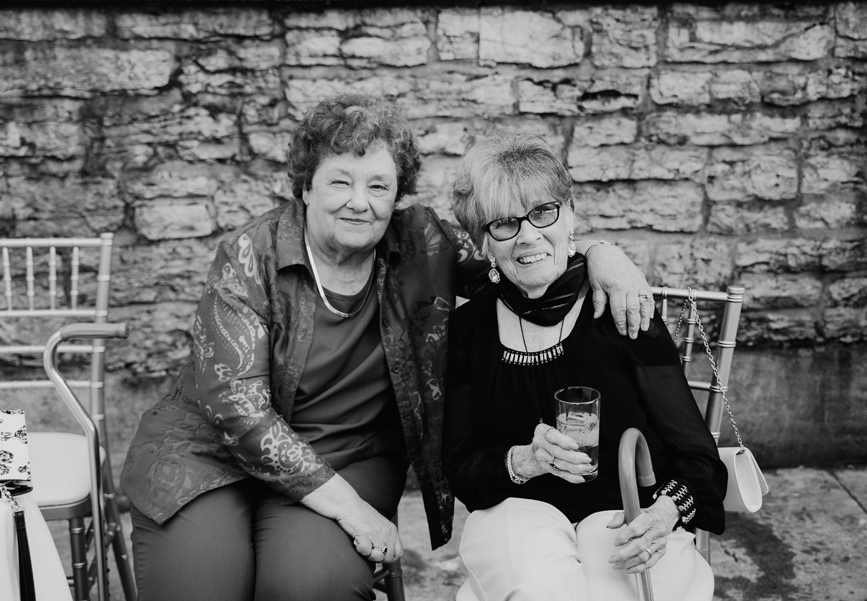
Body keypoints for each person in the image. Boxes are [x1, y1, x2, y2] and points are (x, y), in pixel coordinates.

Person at [120, 94, 654, 601]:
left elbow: (517, 251)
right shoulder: (248, 256)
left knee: (310, 586)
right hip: (212, 458)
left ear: (397, 195)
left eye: (379, 186)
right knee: (200, 587)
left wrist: (600, 252)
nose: (360, 202)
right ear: (305, 187)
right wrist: (353, 512)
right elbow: (238, 412)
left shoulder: (423, 244)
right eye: (340, 182)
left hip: (348, 454)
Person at [443, 129, 727, 601]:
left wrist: (662, 515)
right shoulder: (470, 329)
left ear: (569, 215)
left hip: (626, 511)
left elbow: (700, 460)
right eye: (503, 223)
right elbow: (461, 464)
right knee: (538, 588)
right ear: (483, 244)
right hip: (518, 511)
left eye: (542, 212)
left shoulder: (621, 307)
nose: (528, 235)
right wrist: (526, 460)